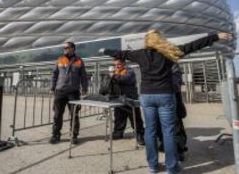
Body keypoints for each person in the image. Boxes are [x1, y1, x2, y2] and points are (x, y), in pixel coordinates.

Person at [99, 31, 232, 174]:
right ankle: (172, 167)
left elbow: (120, 53)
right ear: (159, 40)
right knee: (168, 131)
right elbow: (193, 46)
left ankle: (153, 166)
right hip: (165, 94)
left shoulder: (140, 54)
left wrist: (104, 50)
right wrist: (215, 36)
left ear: (147, 41)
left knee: (150, 130)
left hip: (147, 95)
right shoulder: (168, 52)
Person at [49, 41, 88, 145]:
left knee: (74, 114)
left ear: (73, 48)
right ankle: (55, 135)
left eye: (67, 47)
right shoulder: (60, 60)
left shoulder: (79, 61)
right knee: (57, 114)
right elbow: (54, 74)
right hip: (60, 91)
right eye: (64, 48)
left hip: (73, 92)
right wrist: (52, 87)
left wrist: (85, 89)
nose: (65, 49)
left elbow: (83, 76)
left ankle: (74, 135)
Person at [109, 58, 145, 145]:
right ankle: (118, 132)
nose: (117, 66)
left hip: (130, 98)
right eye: (115, 65)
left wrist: (113, 76)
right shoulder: (116, 72)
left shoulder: (129, 71)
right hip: (119, 98)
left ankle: (139, 134)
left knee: (135, 117)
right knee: (119, 116)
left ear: (124, 64)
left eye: (119, 64)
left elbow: (125, 79)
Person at [157, 63, 188, 161]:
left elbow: (176, 79)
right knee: (160, 125)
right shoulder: (154, 62)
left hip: (172, 97)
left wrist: (162, 85)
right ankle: (164, 145)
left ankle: (179, 150)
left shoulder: (172, 64)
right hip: (158, 98)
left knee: (176, 125)